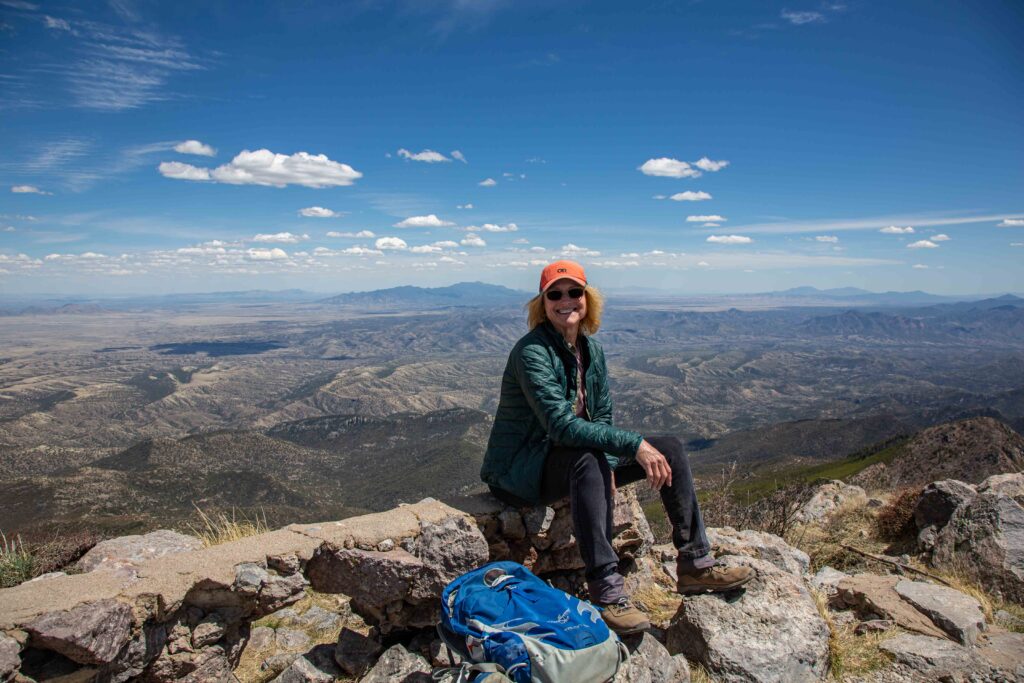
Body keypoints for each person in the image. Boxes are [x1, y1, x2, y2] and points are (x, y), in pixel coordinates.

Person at [480, 260, 754, 634]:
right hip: (519, 471)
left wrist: (610, 463)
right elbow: (561, 426)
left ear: (587, 298)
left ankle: (694, 563)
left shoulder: (591, 351)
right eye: (554, 294)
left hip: (570, 458)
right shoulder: (532, 352)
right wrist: (631, 445)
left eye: (574, 292)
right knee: (589, 458)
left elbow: (601, 416)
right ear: (542, 303)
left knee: (669, 448)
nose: (565, 300)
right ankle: (607, 591)